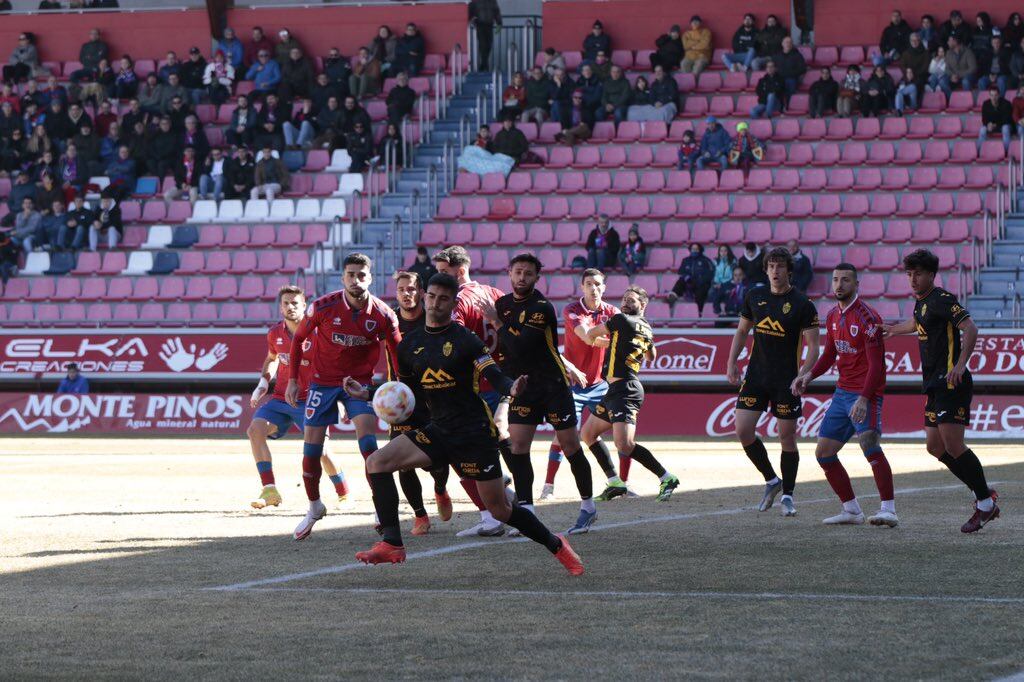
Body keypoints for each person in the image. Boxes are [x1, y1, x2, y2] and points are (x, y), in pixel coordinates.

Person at [351, 273, 584, 573]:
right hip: (439, 430)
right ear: (424, 296)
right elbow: (406, 392)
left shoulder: (465, 340)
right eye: (432, 296)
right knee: (377, 463)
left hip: (474, 435)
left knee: (500, 509)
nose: (435, 303)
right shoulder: (409, 345)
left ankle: (557, 545)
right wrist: (368, 393)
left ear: (452, 303)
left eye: (443, 298)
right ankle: (392, 543)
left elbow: (493, 374)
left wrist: (510, 388)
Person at [285, 253, 401, 541]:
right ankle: (314, 506)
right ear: (343, 277)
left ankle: (379, 505)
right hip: (321, 383)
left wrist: (397, 386)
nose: (356, 280)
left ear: (370, 277)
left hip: (358, 385)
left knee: (369, 444)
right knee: (311, 452)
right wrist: (291, 380)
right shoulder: (323, 306)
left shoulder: (384, 314)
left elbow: (397, 354)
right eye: (351, 274)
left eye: (361, 275)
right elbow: (298, 340)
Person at [882, 249, 999, 533]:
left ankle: (984, 502)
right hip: (934, 385)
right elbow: (917, 322)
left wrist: (960, 365)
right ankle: (983, 493)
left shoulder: (942, 299)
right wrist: (893, 330)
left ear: (932, 275)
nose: (912, 279)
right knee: (935, 447)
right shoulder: (921, 303)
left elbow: (971, 329)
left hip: (951, 383)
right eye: (909, 274)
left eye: (918, 274)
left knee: (954, 445)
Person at [478, 254, 596, 534]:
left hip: (552, 385)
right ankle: (527, 512)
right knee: (518, 447)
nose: (522, 278)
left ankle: (589, 507)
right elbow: (505, 351)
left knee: (570, 447)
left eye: (528, 273)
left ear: (536, 278)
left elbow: (521, 346)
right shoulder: (503, 305)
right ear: (509, 273)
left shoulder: (541, 307)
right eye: (517, 272)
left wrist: (496, 322)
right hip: (523, 388)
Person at [791, 264, 896, 527]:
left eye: (845, 280)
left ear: (856, 285)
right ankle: (851, 510)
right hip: (842, 392)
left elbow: (876, 366)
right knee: (824, 453)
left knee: (869, 444)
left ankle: (889, 510)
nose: (839, 285)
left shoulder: (867, 318)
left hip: (865, 393)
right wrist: (808, 376)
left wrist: (863, 398)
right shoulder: (832, 316)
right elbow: (829, 354)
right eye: (836, 279)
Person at [727, 247, 820, 517]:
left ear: (789, 271)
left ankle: (788, 495)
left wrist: (804, 373)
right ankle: (771, 480)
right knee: (743, 431)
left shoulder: (803, 304)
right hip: (756, 377)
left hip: (786, 381)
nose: (775, 271)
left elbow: (814, 346)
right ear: (765, 269)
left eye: (780, 266)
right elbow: (742, 331)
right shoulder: (755, 296)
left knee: (786, 437)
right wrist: (731, 362)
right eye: (771, 266)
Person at [430, 245, 514, 537]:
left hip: (473, 388)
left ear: (460, 270)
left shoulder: (458, 301)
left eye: (443, 272)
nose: (438, 278)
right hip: (498, 381)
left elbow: (452, 341)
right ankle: (513, 503)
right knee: (488, 448)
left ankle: (491, 515)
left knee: (457, 451)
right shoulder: (494, 293)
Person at [247, 285, 350, 510]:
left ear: (305, 306)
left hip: (313, 399)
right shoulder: (275, 333)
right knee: (255, 430)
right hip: (281, 399)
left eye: (295, 303)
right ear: (280, 307)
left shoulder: (319, 332)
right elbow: (272, 358)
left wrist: (338, 399)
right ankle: (270, 490)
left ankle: (343, 492)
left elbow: (335, 364)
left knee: (320, 450)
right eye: (286, 303)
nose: (290, 307)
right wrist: (263, 383)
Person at [581, 287, 680, 502]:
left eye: (631, 300)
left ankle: (666, 477)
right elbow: (652, 356)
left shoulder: (620, 319)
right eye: (624, 299)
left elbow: (590, 335)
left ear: (643, 305)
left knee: (624, 444)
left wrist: (602, 338)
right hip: (616, 390)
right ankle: (615, 482)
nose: (625, 302)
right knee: (588, 434)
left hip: (626, 390)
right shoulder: (646, 327)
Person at [540, 269, 625, 500]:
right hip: (572, 384)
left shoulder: (612, 311)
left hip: (599, 385)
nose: (594, 288)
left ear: (604, 287)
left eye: (598, 284)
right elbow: (587, 336)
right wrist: (614, 340)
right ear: (582, 287)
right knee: (563, 436)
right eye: (589, 284)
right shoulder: (572, 310)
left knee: (620, 432)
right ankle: (548, 486)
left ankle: (618, 482)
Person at [385, 271, 453, 534]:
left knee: (438, 459)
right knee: (400, 460)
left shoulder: (432, 319)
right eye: (402, 289)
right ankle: (420, 515)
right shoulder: (388, 319)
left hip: (433, 399)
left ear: (421, 293)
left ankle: (440, 489)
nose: (407, 294)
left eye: (412, 289)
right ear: (396, 292)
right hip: (399, 401)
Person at [667, 242, 714, 314]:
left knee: (701, 292)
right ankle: (673, 296)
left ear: (700, 250)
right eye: (693, 249)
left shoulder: (706, 261)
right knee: (681, 281)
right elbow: (681, 271)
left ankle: (699, 311)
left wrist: (700, 281)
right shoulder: (685, 260)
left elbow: (710, 274)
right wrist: (687, 277)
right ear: (690, 250)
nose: (694, 251)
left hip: (701, 284)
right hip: (690, 282)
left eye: (696, 249)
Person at [468, 0, 502, 72]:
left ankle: (483, 65)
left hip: (489, 25)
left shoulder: (492, 1)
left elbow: (497, 12)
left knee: (489, 45)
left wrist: (499, 23)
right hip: (480, 25)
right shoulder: (475, 2)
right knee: (483, 45)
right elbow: (469, 11)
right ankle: (485, 66)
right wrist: (470, 20)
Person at [773, 36, 807, 106]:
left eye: (790, 43)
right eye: (786, 42)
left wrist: (791, 73)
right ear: (782, 44)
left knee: (790, 83)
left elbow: (803, 68)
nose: (788, 44)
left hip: (791, 78)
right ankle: (779, 108)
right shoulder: (777, 56)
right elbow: (772, 67)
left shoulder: (797, 55)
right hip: (779, 78)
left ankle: (789, 106)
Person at [978, 85, 1013, 151]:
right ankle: (979, 151)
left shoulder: (1006, 104)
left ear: (999, 95)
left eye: (996, 95)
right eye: (992, 95)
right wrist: (988, 124)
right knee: (982, 129)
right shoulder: (985, 104)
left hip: (1004, 125)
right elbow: (984, 119)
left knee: (1005, 129)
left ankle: (1006, 151)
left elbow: (1007, 119)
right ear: (989, 95)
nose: (994, 97)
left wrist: (995, 125)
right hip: (992, 126)